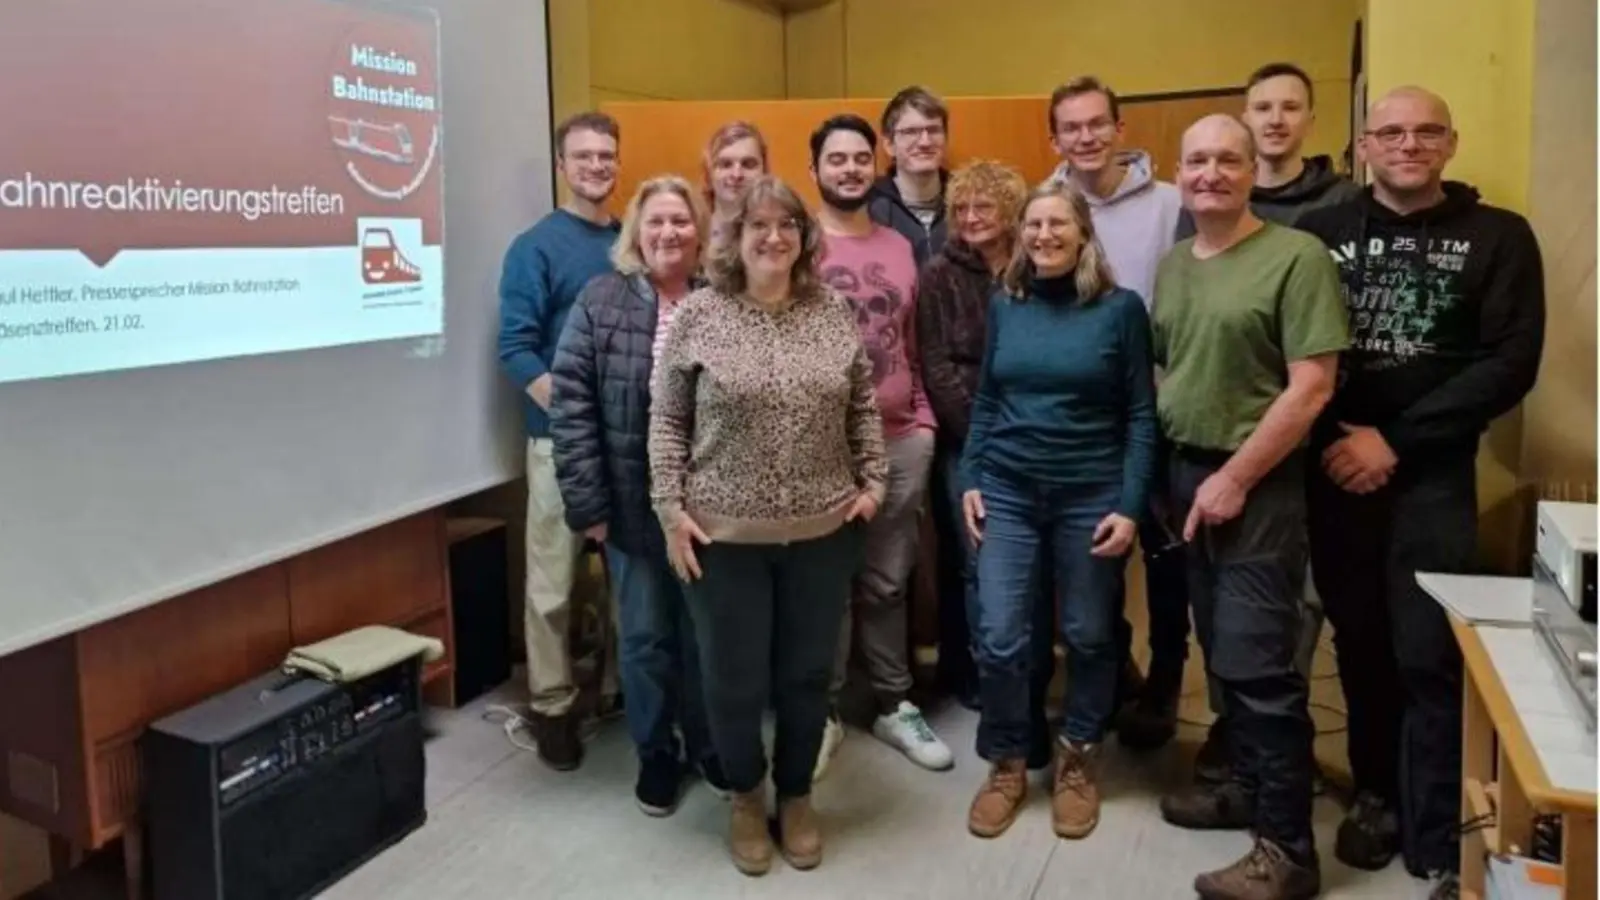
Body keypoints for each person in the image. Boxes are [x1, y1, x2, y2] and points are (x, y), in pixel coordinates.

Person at [1297, 87, 1545, 900]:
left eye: (1427, 131)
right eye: (1392, 132)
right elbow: (1291, 343)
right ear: (1364, 145)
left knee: (1428, 652)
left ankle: (1436, 822)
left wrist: (1395, 441)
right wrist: (1344, 441)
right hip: (1335, 466)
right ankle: (1376, 795)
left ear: (1451, 142)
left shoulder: (1500, 238)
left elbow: (1510, 363)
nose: (1409, 144)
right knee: (1360, 643)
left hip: (1432, 474)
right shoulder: (1319, 234)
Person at [648, 175, 886, 877]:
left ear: (804, 238)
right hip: (723, 539)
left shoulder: (832, 310)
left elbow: (863, 406)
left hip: (823, 532)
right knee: (732, 681)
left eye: (787, 225)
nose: (774, 237)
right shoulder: (700, 314)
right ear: (734, 237)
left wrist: (873, 482)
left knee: (808, 677)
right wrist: (670, 510)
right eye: (758, 226)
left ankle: (798, 795)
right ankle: (748, 798)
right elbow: (667, 420)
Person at [1153, 114, 1348, 900]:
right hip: (1186, 477)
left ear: (1251, 172)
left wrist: (1234, 476)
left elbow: (1312, 387)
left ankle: (1288, 849)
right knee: (1219, 651)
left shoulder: (1295, 258)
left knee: (1261, 667)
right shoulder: (1173, 265)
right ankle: (1242, 787)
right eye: (1196, 160)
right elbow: (1172, 364)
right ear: (1179, 172)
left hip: (1256, 486)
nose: (1211, 173)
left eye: (1227, 160)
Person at [960, 180, 1156, 842]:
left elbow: (1140, 415)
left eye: (1057, 225)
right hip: (1009, 491)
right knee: (1002, 634)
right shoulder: (1006, 304)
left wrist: (1130, 504)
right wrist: (970, 476)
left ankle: (1077, 758)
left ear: (1082, 235)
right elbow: (987, 400)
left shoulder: (1119, 310)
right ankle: (1009, 761)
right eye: (1034, 225)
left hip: (1091, 495)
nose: (1044, 235)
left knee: (1090, 632)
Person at [1187, 60, 1365, 788]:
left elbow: (1313, 380)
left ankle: (1278, 807)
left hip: (1284, 454)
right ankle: (1242, 757)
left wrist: (1237, 472)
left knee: (1284, 631)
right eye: (1262, 106)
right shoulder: (1185, 253)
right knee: (1228, 630)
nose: (1275, 118)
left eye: (1290, 107)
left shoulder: (1321, 229)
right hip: (1201, 459)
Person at [549, 175, 729, 816]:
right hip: (629, 508)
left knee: (707, 637)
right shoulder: (601, 300)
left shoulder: (724, 301)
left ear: (699, 231)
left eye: (681, 221)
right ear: (635, 232)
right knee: (647, 638)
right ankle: (657, 753)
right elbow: (571, 410)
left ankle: (711, 745)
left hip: (712, 511)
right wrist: (589, 508)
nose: (668, 233)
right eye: (655, 222)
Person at [1044, 75, 1190, 746]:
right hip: (1080, 421)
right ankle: (1115, 671)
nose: (1086, 137)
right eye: (1072, 127)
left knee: (1165, 556)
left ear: (1119, 128)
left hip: (1157, 408)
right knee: (1092, 559)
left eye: (1097, 123)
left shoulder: (1171, 204)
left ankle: (1165, 681)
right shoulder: (1045, 207)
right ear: (1055, 139)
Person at [810, 113, 951, 775]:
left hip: (900, 437)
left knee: (889, 581)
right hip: (822, 449)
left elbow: (914, 341)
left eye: (860, 158)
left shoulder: (899, 246)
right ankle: (825, 709)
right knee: (828, 583)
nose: (849, 169)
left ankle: (894, 702)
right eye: (836, 159)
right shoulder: (799, 242)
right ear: (815, 170)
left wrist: (923, 422)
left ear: (877, 165)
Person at [496, 110, 622, 771]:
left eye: (606, 154)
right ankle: (551, 707)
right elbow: (516, 349)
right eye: (584, 155)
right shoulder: (535, 247)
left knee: (632, 582)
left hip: (627, 448)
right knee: (553, 587)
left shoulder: (634, 239)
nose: (597, 165)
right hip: (560, 445)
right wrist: (573, 418)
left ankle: (618, 690)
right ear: (562, 165)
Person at [916, 160, 1032, 715]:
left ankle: (1022, 668)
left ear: (1010, 210)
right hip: (967, 440)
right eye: (960, 209)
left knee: (1028, 558)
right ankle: (984, 674)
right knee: (975, 557)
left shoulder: (1036, 265)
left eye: (983, 206)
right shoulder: (939, 273)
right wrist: (982, 437)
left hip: (1036, 433)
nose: (970, 218)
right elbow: (935, 364)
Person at [869, 85, 951, 266]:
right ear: (889, 144)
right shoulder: (868, 208)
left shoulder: (967, 202)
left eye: (933, 130)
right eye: (911, 132)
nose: (925, 142)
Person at [702, 121, 769, 249]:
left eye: (748, 164)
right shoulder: (693, 237)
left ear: (764, 171)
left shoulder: (781, 237)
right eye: (725, 164)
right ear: (708, 173)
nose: (736, 175)